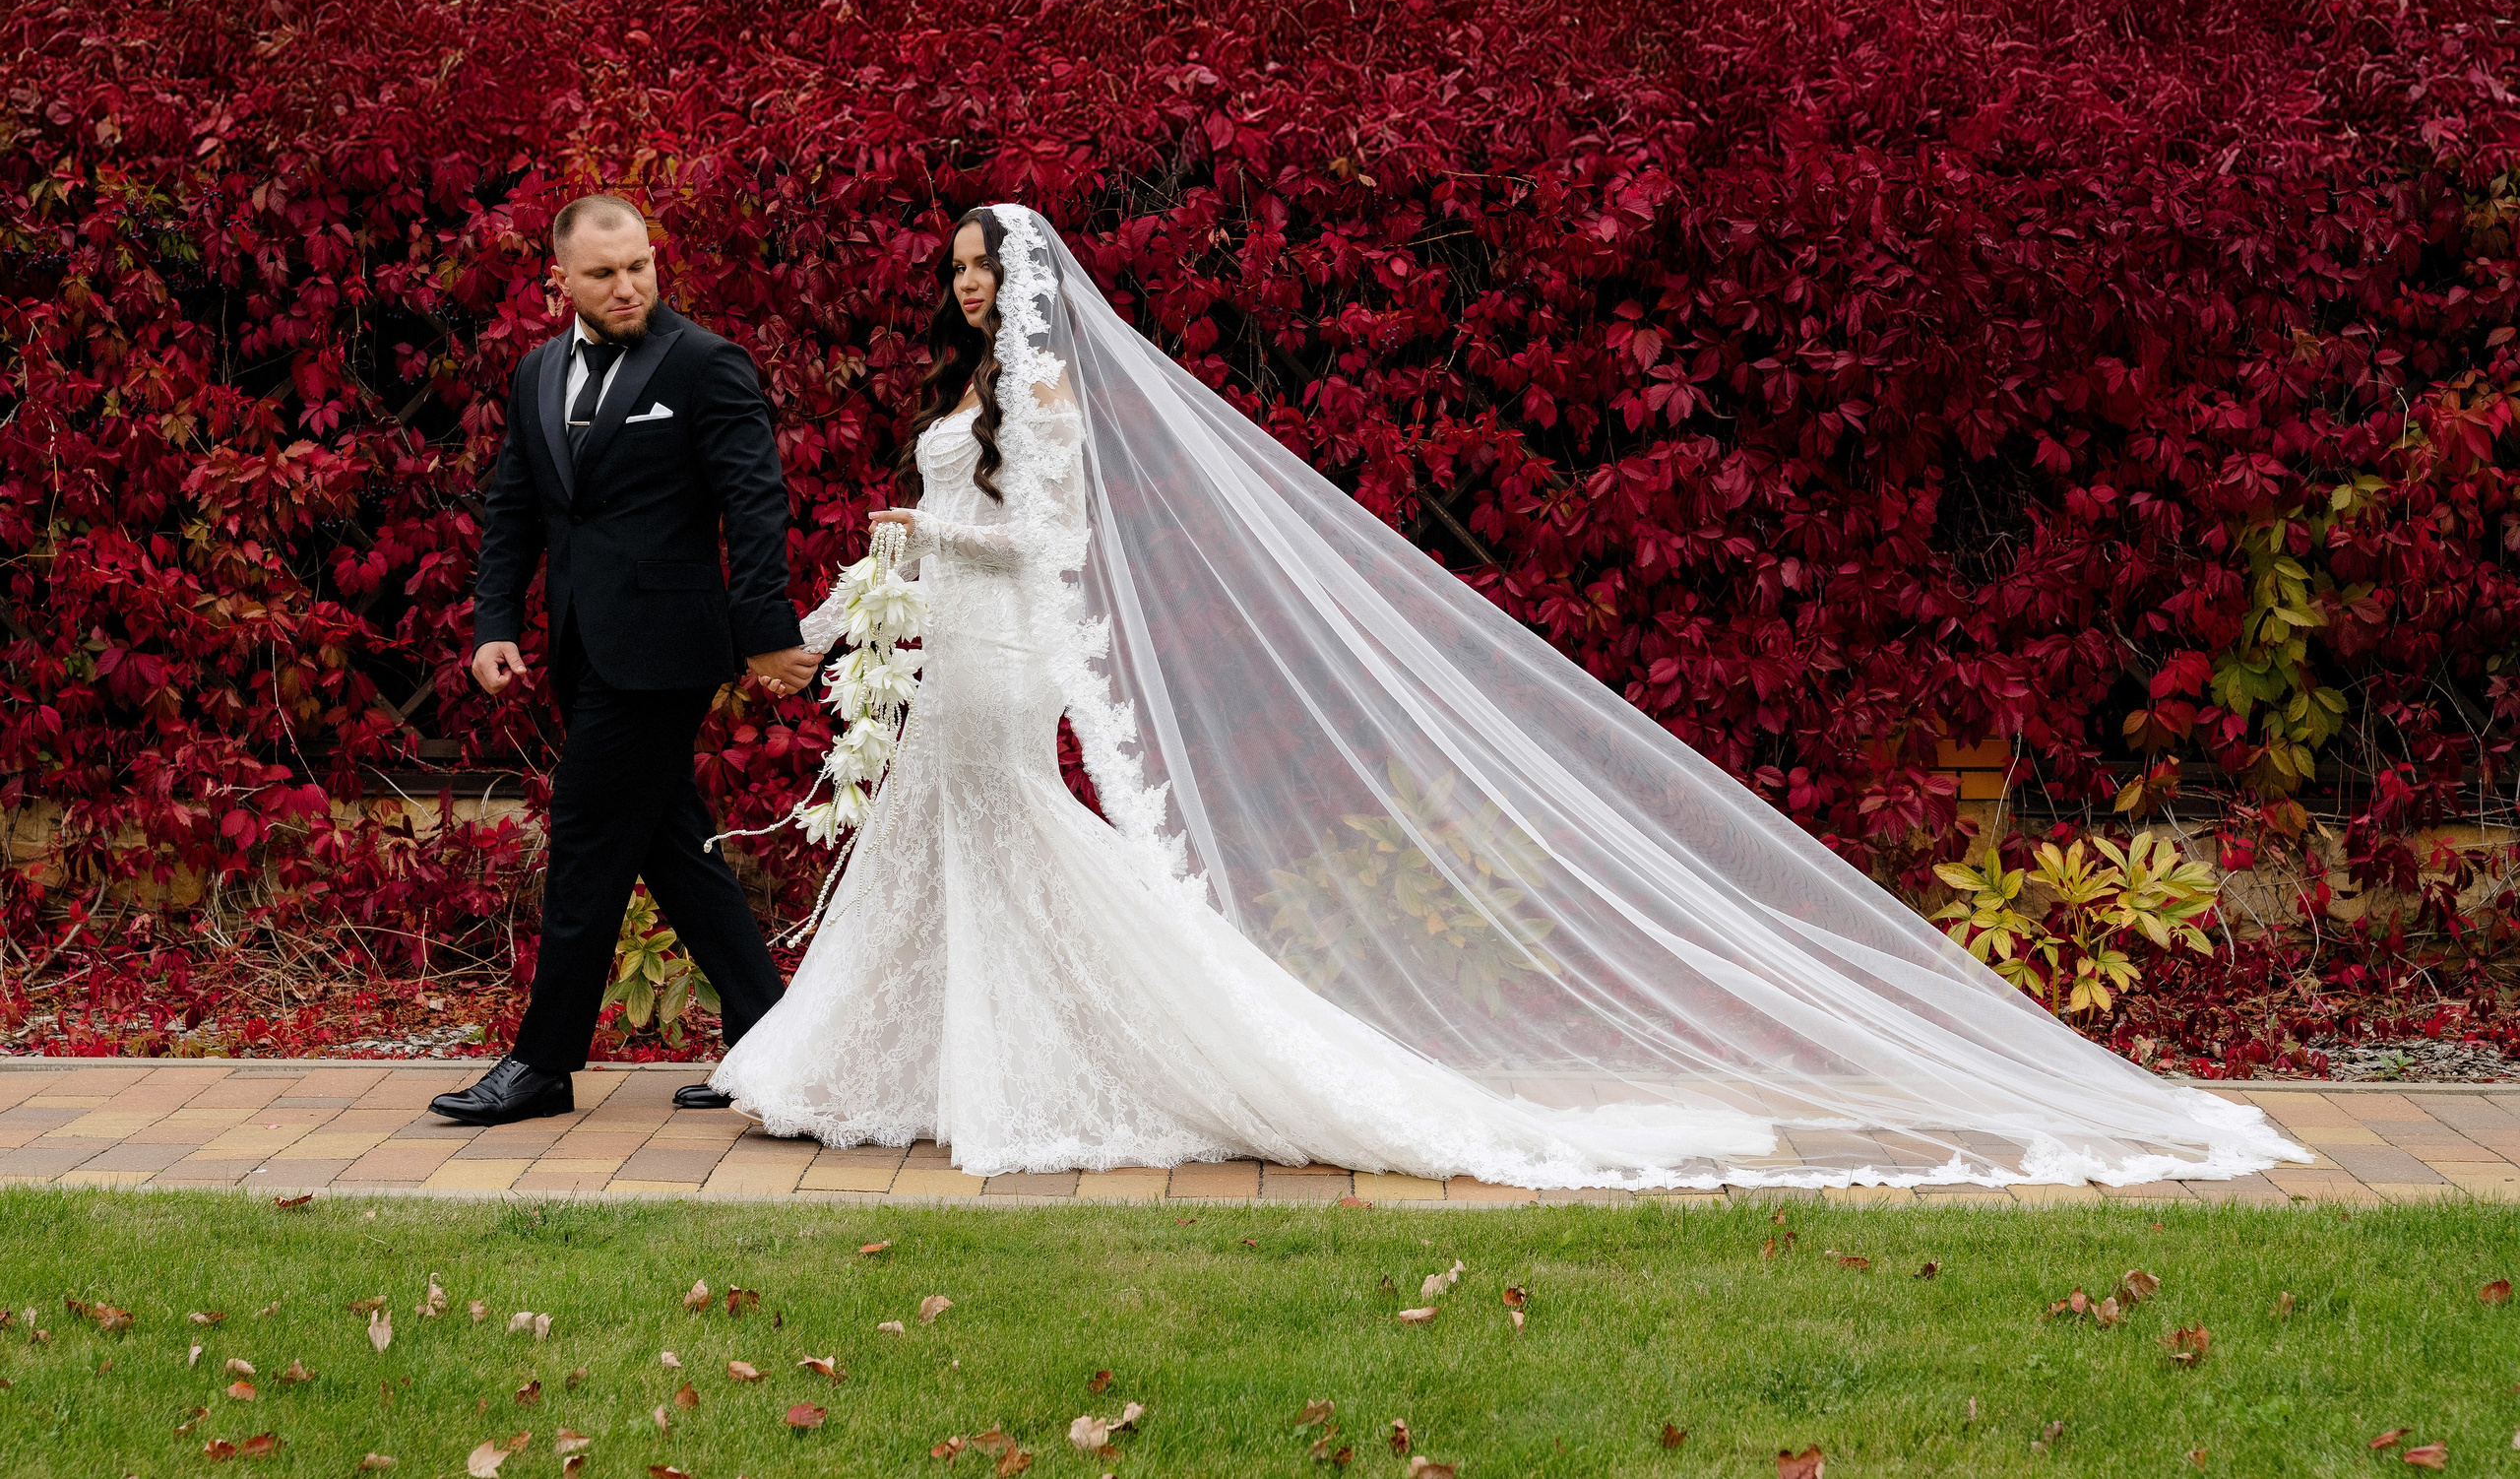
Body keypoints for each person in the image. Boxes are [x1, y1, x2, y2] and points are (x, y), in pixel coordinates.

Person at [711, 202, 2311, 1190]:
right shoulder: (963, 390)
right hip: (952, 660)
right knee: (949, 848)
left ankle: (1062, 1058)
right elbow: (930, 532)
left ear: (1032, 283)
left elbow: (1047, 540)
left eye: (986, 269)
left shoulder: (1046, 393)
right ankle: (879, 1060)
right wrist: (842, 600)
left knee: (1015, 844)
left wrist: (927, 548)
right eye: (962, 274)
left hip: (1004, 660)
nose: (971, 289)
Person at [433, 194, 820, 1126]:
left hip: (666, 651)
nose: (628, 285)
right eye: (603, 273)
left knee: (586, 846)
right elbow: (516, 510)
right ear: (557, 278)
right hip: (579, 648)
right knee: (673, 847)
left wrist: (765, 626)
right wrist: (495, 623)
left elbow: (754, 501)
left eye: (640, 265)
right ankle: (775, 1042)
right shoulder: (534, 373)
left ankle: (544, 1061)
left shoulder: (703, 363)